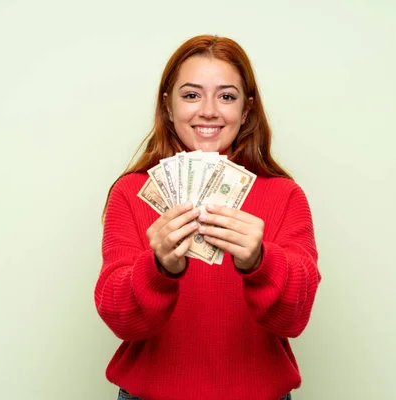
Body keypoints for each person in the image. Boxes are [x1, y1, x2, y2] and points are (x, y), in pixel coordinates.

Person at [94, 34, 322, 400]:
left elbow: (294, 318)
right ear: (167, 106)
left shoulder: (285, 195)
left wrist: (260, 261)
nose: (209, 111)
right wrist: (160, 267)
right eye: (191, 95)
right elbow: (121, 320)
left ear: (246, 110)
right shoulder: (132, 193)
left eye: (227, 96)